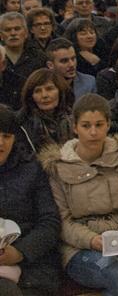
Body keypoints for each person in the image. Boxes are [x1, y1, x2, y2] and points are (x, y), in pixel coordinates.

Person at [40, 95, 118, 296]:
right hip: (80, 248)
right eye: (86, 125)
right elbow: (62, 220)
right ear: (75, 127)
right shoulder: (59, 168)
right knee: (117, 274)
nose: (93, 132)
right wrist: (92, 240)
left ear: (108, 125)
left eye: (99, 125)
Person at [0, 104, 61, 296]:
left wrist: (20, 252)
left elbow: (49, 223)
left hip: (31, 264)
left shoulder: (32, 170)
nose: (0, 143)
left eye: (6, 136)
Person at [16, 69, 74, 154]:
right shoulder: (20, 123)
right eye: (38, 91)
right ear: (31, 96)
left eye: (49, 89)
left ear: (60, 91)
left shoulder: (76, 119)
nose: (44, 95)